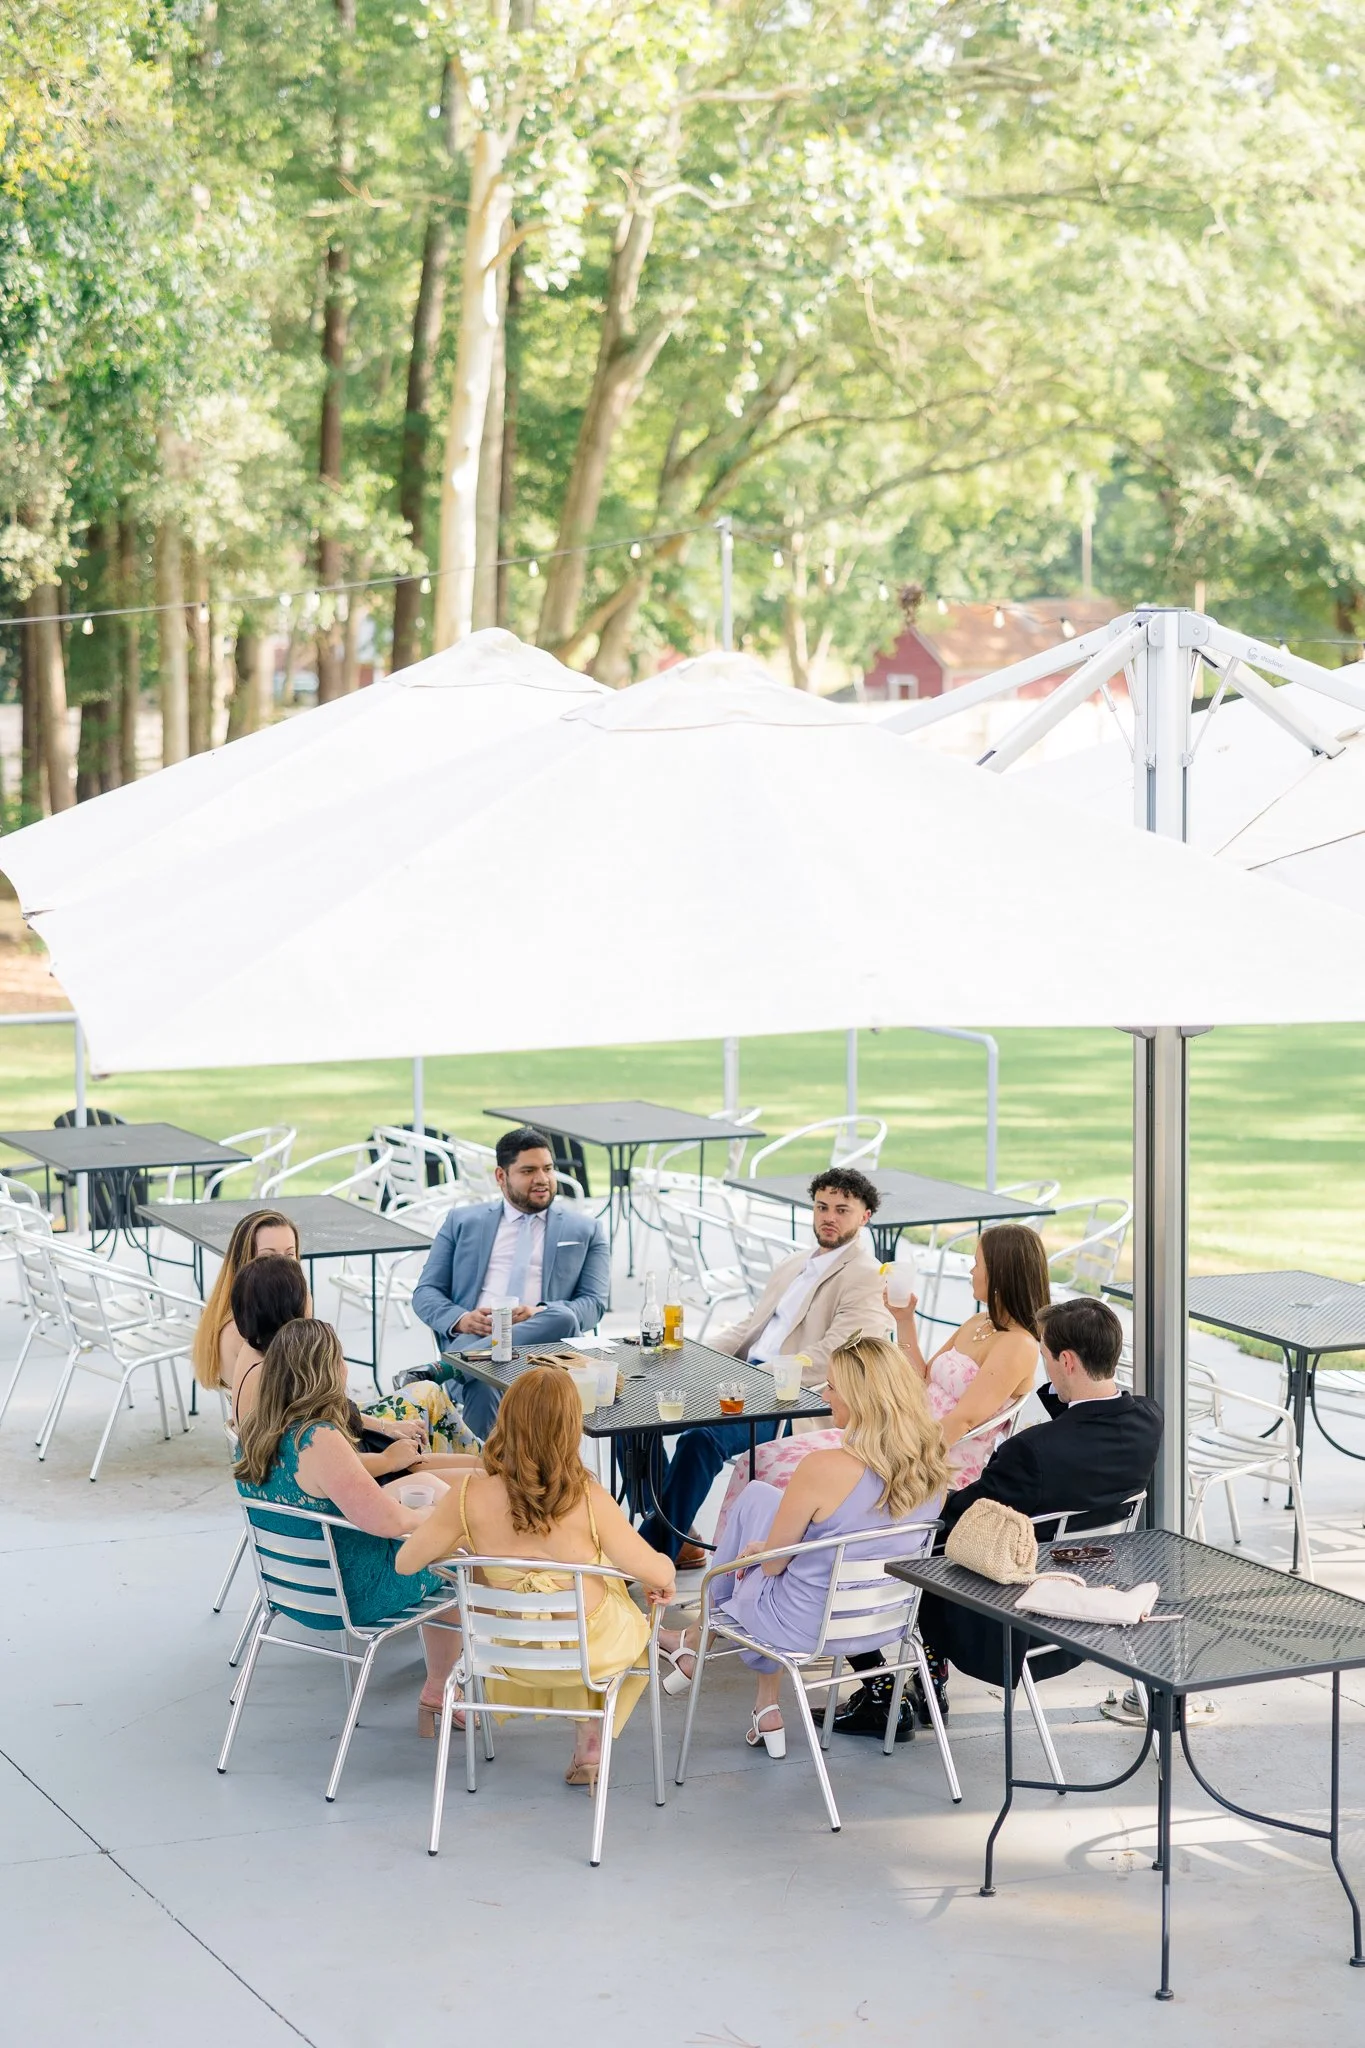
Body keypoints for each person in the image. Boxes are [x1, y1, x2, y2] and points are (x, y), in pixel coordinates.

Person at [833, 1294, 1163, 1735]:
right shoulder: (1148, 1419)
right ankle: (924, 1680)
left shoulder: (1032, 1452)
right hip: (1096, 1593)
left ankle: (892, 1686)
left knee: (876, 1541)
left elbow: (957, 1520)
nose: (1042, 1366)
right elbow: (1080, 1423)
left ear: (1067, 1360)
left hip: (1013, 1620)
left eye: (1046, 1355)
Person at [656, 1336, 949, 1758]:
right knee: (762, 1500)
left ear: (860, 1398)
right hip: (886, 1622)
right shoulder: (932, 1465)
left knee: (754, 1512)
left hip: (804, 1624)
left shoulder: (823, 1468)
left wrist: (762, 1552)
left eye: (831, 1386)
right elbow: (852, 1536)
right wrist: (777, 1549)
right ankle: (751, 1694)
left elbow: (772, 1568)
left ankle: (700, 1642)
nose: (823, 1394)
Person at [397, 1367, 675, 1787]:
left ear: (505, 1420)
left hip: (502, 1652)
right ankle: (590, 1734)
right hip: (588, 1655)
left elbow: (405, 1562)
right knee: (611, 1590)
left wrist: (467, 1551)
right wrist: (665, 1579)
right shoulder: (589, 1497)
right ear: (569, 1429)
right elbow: (655, 1569)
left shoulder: (468, 1497)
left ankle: (586, 1735)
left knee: (567, 1598)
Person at [709, 1222, 1050, 1538]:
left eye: (978, 1262)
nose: (972, 1270)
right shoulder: (979, 1322)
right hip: (896, 1438)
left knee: (779, 1471)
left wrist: (891, 1454)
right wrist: (904, 1321)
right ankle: (736, 1572)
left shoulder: (1018, 1345)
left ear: (1001, 1271)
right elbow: (921, 1378)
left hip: (930, 1461)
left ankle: (768, 1570)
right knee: (757, 1461)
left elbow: (964, 1420)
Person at [637, 1167, 892, 1567]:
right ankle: (671, 1525)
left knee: (701, 1441)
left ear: (865, 1216)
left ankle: (649, 1557)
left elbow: (836, 1355)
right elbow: (751, 1325)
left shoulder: (867, 1276)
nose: (829, 1217)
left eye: (842, 1210)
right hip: (742, 1380)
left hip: (793, 1401)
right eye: (822, 1207)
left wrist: (760, 1376)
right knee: (634, 1417)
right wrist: (692, 1352)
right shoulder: (795, 1262)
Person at [234, 1319, 463, 1734]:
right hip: (352, 1595)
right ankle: (443, 1686)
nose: (345, 1367)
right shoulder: (319, 1439)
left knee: (426, 1485)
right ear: (322, 1370)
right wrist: (437, 1521)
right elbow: (389, 1522)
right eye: (339, 1358)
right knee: (458, 1555)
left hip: (293, 1590)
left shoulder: (253, 1431)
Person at [409, 1126, 610, 1441]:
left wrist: (536, 1312)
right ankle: (486, 1479)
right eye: (528, 1171)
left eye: (547, 1169)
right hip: (478, 1337)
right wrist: (462, 1319)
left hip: (545, 1352)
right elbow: (425, 1293)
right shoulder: (462, 1222)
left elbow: (594, 1305)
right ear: (501, 1176)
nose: (542, 1179)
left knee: (563, 1315)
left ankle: (450, 1366)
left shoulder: (585, 1229)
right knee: (482, 1382)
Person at [191, 1208, 300, 1392]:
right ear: (246, 1263)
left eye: (290, 1255)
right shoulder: (244, 1332)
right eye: (269, 1257)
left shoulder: (271, 1315)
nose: (284, 1266)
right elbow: (294, 1397)